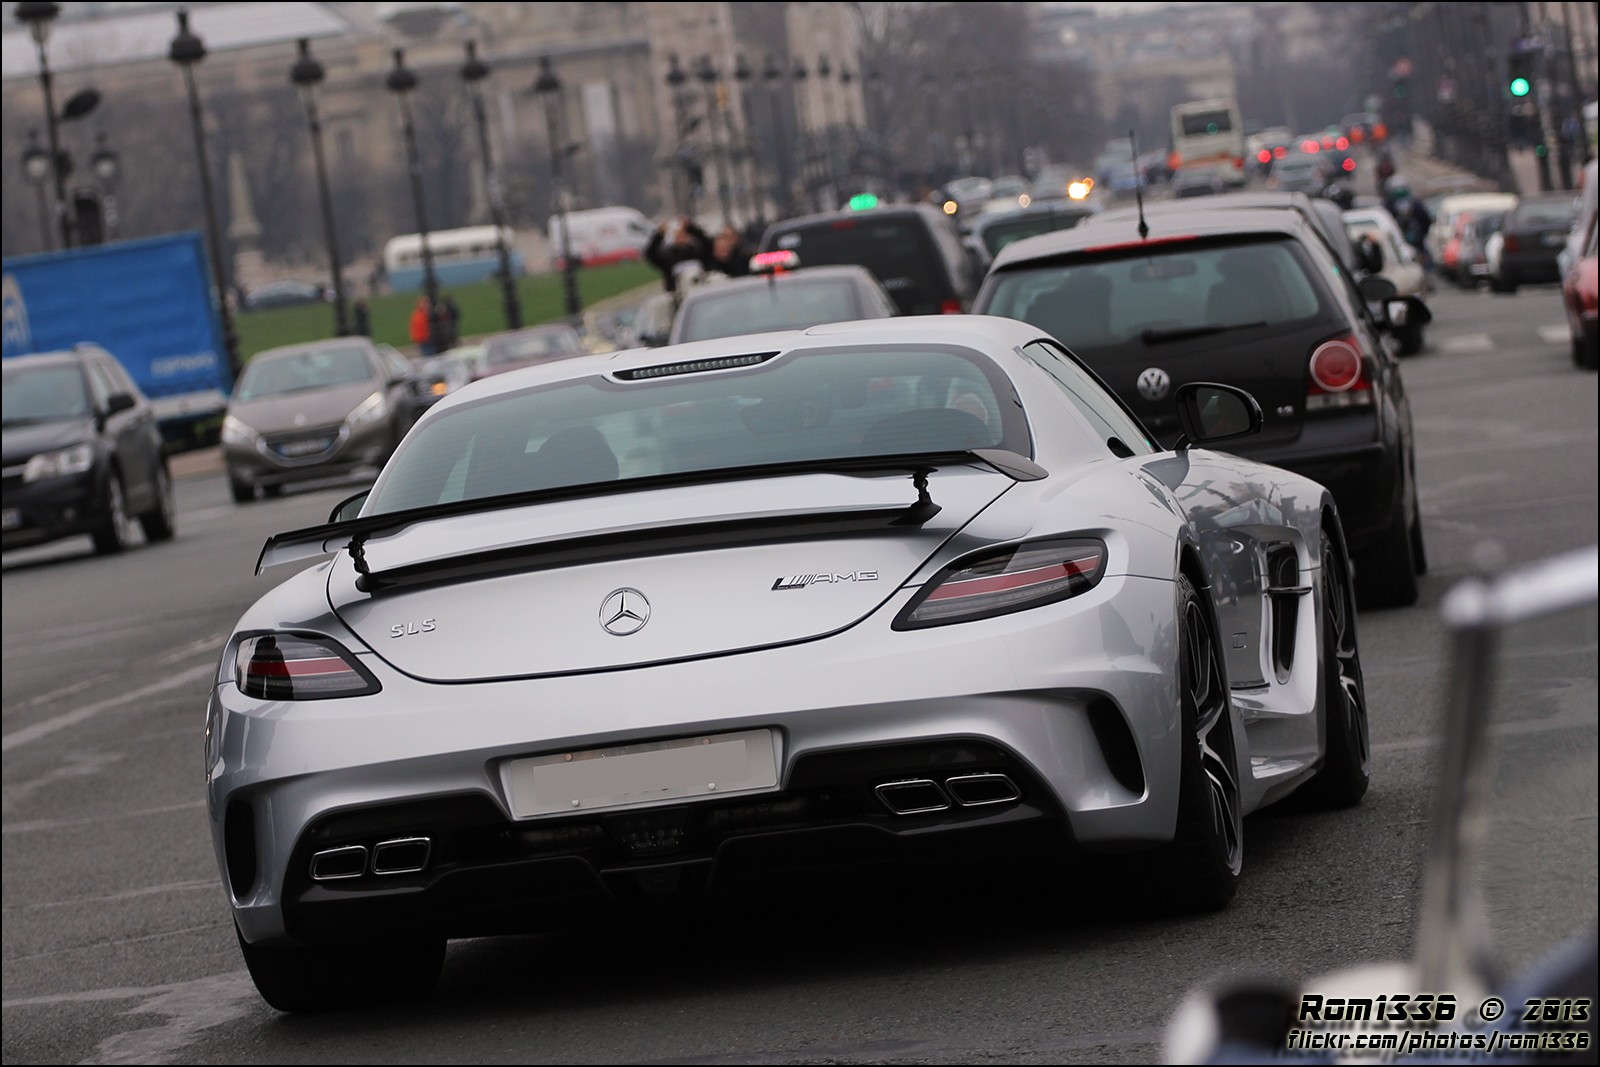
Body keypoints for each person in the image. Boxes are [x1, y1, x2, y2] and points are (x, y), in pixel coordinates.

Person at [645, 216, 712, 294]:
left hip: (702, 290)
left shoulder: (698, 253)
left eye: (683, 234)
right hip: (678, 294)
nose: (680, 237)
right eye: (677, 235)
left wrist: (691, 228)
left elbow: (708, 245)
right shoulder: (667, 257)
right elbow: (650, 254)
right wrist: (659, 235)